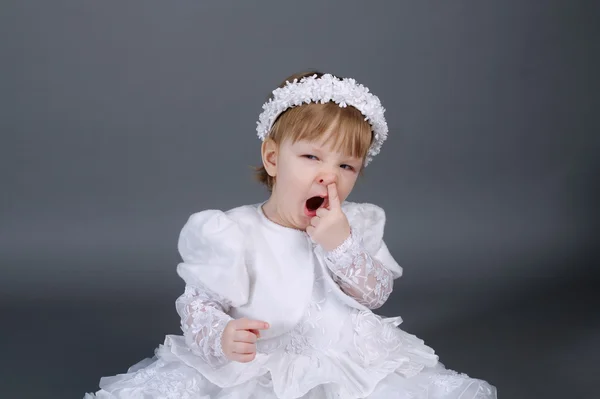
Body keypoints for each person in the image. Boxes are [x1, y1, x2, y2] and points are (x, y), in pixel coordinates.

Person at [85, 71, 497, 398]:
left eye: (346, 166)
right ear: (272, 158)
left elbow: (376, 293)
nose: (328, 175)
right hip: (260, 366)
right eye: (311, 156)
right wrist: (221, 335)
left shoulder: (353, 226)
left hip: (345, 361)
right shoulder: (234, 232)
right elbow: (199, 304)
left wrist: (340, 244)